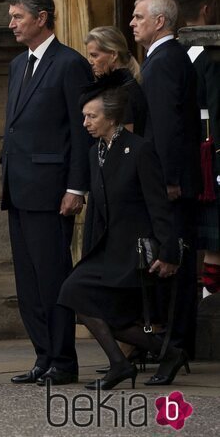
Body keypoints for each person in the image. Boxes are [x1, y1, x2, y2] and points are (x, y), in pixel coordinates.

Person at [58, 72, 185, 389]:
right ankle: (159, 354)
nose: (86, 122)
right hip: (107, 249)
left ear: (111, 117)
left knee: (84, 298)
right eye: (84, 116)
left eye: (92, 116)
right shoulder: (94, 152)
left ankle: (130, 362)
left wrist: (168, 252)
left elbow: (159, 207)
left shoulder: (139, 150)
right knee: (78, 296)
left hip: (134, 251)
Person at [1, 0, 92, 387]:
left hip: (52, 189)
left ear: (42, 18)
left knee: (53, 277)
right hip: (19, 187)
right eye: (11, 16)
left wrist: (76, 187)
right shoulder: (17, 65)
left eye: (18, 16)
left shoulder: (70, 64)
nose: (12, 24)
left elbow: (80, 131)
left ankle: (63, 360)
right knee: (28, 281)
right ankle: (42, 356)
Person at [131, 0, 201, 357]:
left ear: (160, 22)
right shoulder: (164, 58)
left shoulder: (163, 62)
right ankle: (164, 341)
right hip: (167, 178)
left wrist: (169, 179)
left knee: (173, 262)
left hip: (169, 182)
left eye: (139, 16)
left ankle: (172, 344)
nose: (132, 22)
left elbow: (167, 126)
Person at [176, 0, 220, 294]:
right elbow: (216, 106)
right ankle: (209, 301)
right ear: (206, 9)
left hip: (182, 147)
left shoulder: (171, 51)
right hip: (209, 150)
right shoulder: (211, 54)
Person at [84, 26, 148, 136]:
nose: (90, 61)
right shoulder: (117, 87)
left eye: (94, 55)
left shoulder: (124, 91)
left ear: (113, 55)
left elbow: (125, 143)